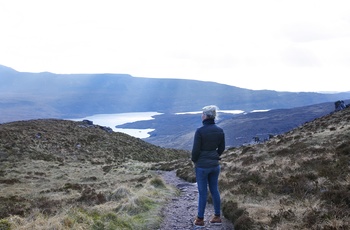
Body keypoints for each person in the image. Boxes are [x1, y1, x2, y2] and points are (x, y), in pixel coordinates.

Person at [191, 105, 225, 227]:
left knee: (202, 192)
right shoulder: (220, 130)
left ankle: (200, 220)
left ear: (205, 116)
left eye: (202, 114)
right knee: (214, 190)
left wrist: (194, 161)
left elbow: (195, 151)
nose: (202, 116)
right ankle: (217, 217)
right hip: (215, 165)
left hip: (202, 166)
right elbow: (221, 148)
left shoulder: (200, 131)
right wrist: (215, 156)